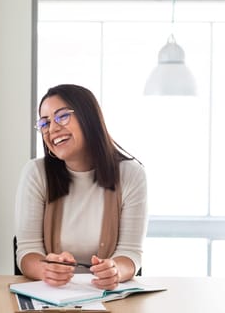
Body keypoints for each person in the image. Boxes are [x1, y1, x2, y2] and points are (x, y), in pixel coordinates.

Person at [15, 84, 147, 290]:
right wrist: (46, 269)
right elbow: (27, 251)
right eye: (45, 123)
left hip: (109, 298)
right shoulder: (35, 173)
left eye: (62, 117)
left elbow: (130, 253)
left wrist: (115, 271)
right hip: (52, 298)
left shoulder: (131, 174)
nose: (53, 129)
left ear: (89, 118)